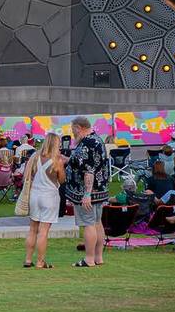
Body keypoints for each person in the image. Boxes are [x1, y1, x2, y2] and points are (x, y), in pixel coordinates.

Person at [67, 115, 110, 268]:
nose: (72, 133)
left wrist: (86, 194)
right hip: (100, 190)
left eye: (73, 130)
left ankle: (89, 259)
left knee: (88, 224)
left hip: (88, 192)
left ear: (79, 128)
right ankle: (98, 257)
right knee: (97, 223)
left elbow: (88, 171)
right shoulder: (97, 139)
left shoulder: (87, 143)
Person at [24, 133, 66, 269]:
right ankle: (40, 262)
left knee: (32, 229)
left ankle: (28, 260)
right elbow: (62, 180)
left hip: (34, 195)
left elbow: (26, 175)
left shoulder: (34, 156)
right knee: (43, 231)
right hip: (49, 196)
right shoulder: (57, 160)